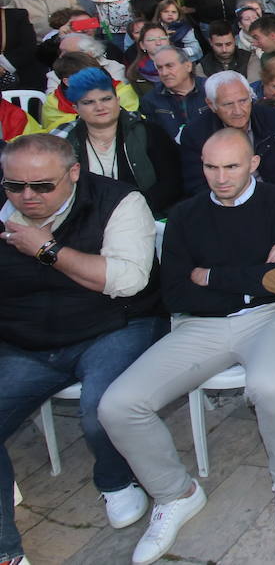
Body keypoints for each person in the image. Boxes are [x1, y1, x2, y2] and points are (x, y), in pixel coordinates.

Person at [98, 129, 275, 563]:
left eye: (231, 166)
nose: (220, 177)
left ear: (253, 164)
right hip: (201, 326)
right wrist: (254, 280)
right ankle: (175, 493)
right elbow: (176, 294)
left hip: (273, 318)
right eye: (211, 167)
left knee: (271, 386)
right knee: (117, 404)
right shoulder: (186, 215)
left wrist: (211, 275)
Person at [0, 134, 161, 565]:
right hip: (25, 341)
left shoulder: (118, 201)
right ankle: (5, 550)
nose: (27, 196)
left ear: (73, 173)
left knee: (102, 408)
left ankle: (114, 480)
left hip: (112, 325)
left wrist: (47, 249)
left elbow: (127, 280)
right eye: (14, 186)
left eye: (42, 186)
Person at [56, 67, 182, 218]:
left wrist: (129, 212)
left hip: (143, 214)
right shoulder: (64, 140)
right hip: (85, 219)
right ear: (76, 108)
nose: (99, 107)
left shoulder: (148, 131)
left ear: (117, 100)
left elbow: (171, 183)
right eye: (89, 102)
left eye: (106, 99)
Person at [180, 71, 275, 196]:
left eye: (243, 101)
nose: (238, 111)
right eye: (228, 104)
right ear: (211, 104)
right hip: (223, 205)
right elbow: (197, 186)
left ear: (251, 97)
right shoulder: (195, 134)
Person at [140, 46, 211, 141]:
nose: (164, 73)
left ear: (188, 66)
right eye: (160, 68)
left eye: (169, 66)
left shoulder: (210, 90)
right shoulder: (151, 100)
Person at [197, 19, 261, 83]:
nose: (224, 49)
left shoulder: (250, 59)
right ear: (210, 42)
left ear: (235, 40)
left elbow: (253, 87)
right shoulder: (202, 66)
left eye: (228, 44)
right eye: (219, 45)